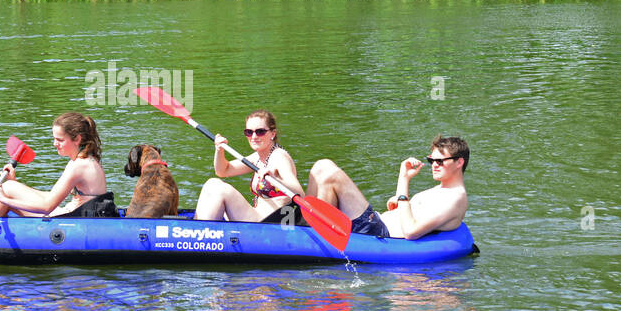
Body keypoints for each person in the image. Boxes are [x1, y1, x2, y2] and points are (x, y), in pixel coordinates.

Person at [306, 135, 469, 239]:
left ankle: (314, 234)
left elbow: (411, 231)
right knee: (322, 166)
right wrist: (402, 176)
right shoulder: (440, 191)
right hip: (375, 223)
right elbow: (403, 210)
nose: (434, 165)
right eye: (431, 161)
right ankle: (304, 222)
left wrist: (404, 185)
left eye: (440, 161)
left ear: (459, 162)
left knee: (331, 176)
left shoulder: (455, 199)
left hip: (377, 231)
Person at [0, 112, 117, 218]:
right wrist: (14, 183)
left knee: (7, 189)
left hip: (76, 220)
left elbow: (47, 207)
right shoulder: (86, 159)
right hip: (77, 214)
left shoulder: (79, 165)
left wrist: (4, 198)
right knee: (10, 186)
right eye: (54, 138)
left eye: (60, 140)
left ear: (77, 139)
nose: (55, 144)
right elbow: (51, 196)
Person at [194, 110, 304, 222]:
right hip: (255, 215)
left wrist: (274, 179)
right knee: (212, 183)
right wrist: (219, 150)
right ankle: (198, 229)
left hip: (268, 224)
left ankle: (202, 231)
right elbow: (223, 171)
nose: (254, 136)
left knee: (221, 189)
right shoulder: (257, 157)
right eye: (249, 132)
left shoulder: (279, 157)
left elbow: (300, 193)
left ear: (272, 133)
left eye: (260, 131)